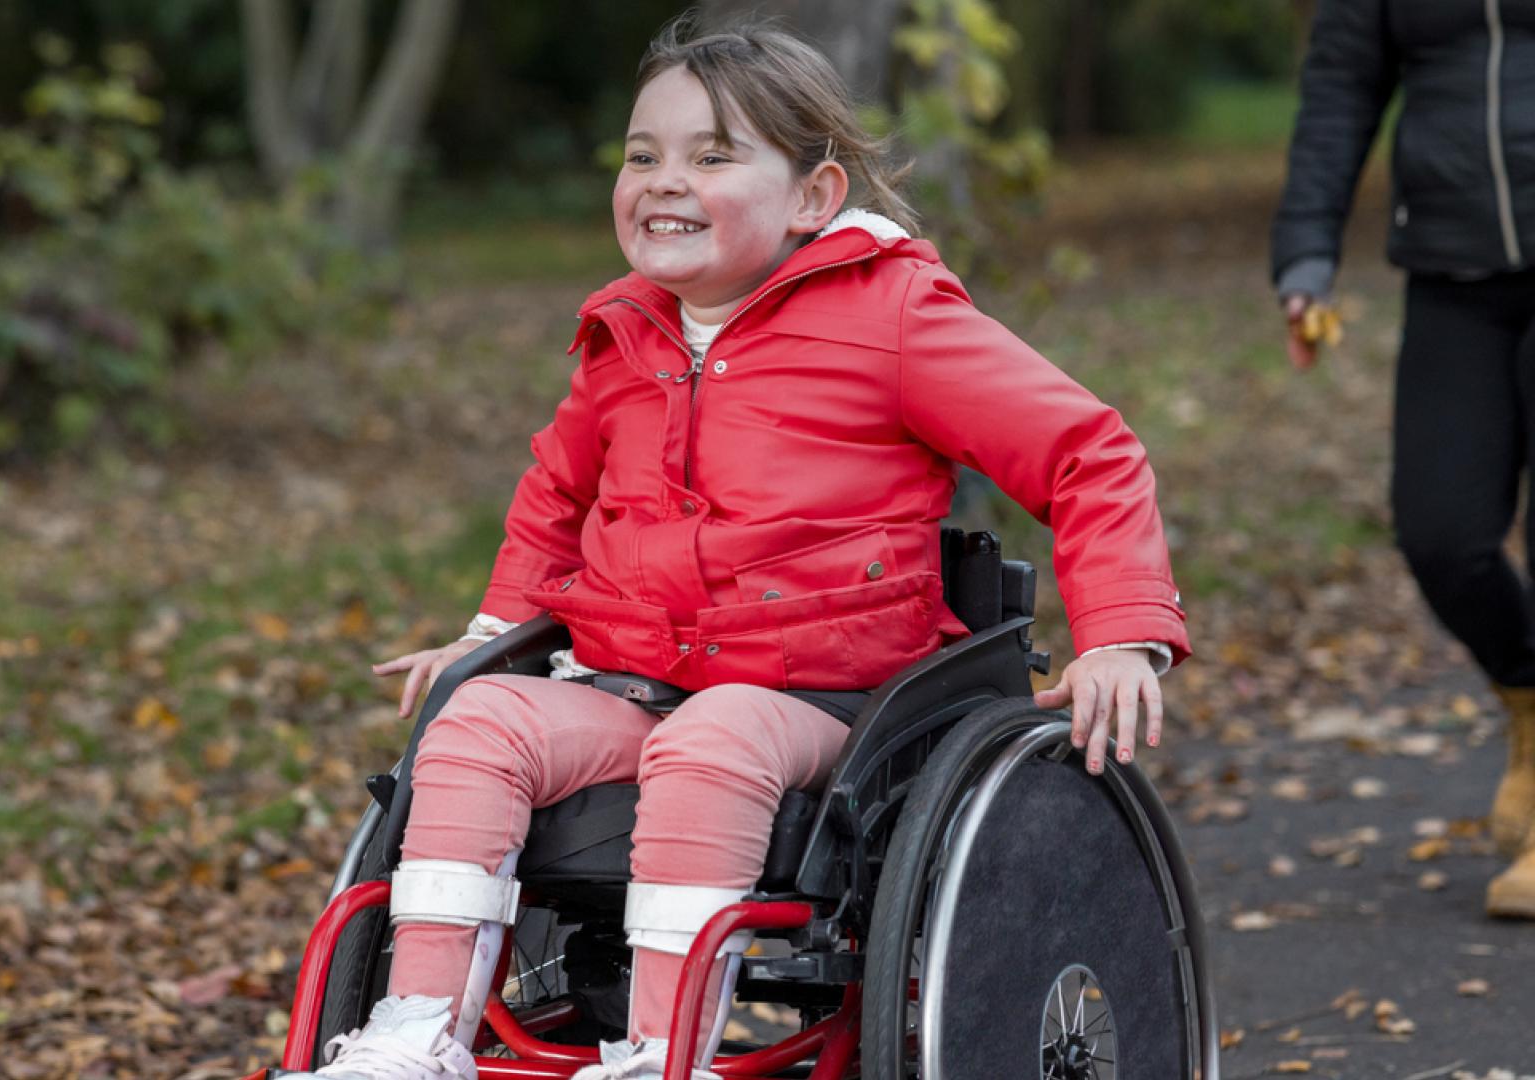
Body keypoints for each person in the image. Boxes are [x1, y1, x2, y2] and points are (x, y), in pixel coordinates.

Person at [285, 18, 1190, 1080]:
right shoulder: (625, 330)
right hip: (632, 683)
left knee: (712, 738)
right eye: (642, 155)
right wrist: (488, 635)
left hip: (824, 703)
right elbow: (553, 493)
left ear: (811, 196)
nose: (664, 180)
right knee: (477, 721)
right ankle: (412, 1037)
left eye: (711, 156)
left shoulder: (891, 314)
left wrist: (1122, 632)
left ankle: (656, 1056)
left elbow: (1085, 448)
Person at [1271, 0, 1535, 920]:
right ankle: (1528, 699)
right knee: (1442, 533)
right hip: (1454, 267)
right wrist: (1306, 254)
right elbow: (1342, 84)